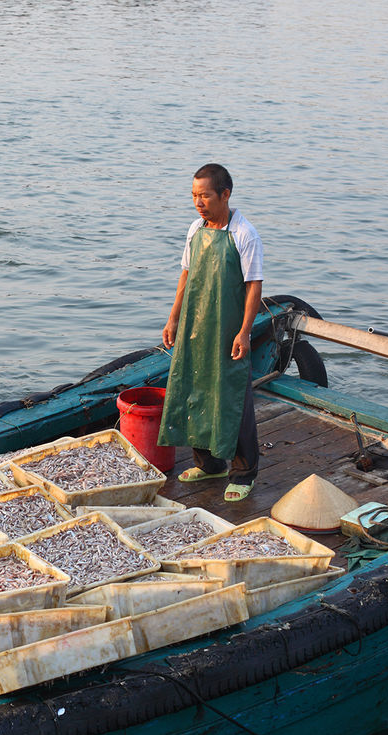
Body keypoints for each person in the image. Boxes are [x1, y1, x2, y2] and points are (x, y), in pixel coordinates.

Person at [157, 163, 263, 502]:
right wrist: (174, 318)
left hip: (228, 325)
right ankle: (209, 462)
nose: (198, 202)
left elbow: (254, 288)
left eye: (204, 196)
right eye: (194, 196)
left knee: (233, 395)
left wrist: (244, 332)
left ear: (225, 195)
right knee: (195, 387)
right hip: (195, 323)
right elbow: (186, 275)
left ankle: (244, 472)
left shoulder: (244, 233)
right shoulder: (194, 229)